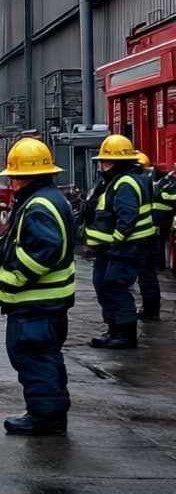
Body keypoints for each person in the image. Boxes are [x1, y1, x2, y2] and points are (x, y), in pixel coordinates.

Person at [0, 138, 75, 436]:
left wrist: (17, 276)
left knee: (34, 356)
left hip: (35, 303)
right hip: (46, 303)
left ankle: (44, 418)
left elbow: (47, 247)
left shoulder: (38, 205)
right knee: (44, 357)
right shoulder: (50, 198)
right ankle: (48, 412)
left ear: (21, 176)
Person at [85, 134, 156, 350]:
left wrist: (115, 240)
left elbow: (127, 216)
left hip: (125, 247)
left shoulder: (124, 183)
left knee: (116, 287)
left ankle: (124, 335)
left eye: (105, 161)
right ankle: (114, 329)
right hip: (115, 248)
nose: (102, 166)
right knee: (104, 285)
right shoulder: (122, 180)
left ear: (117, 162)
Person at [135, 152, 162, 321]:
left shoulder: (140, 182)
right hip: (152, 233)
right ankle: (152, 310)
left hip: (145, 235)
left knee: (146, 277)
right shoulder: (150, 181)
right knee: (149, 275)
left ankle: (150, 312)